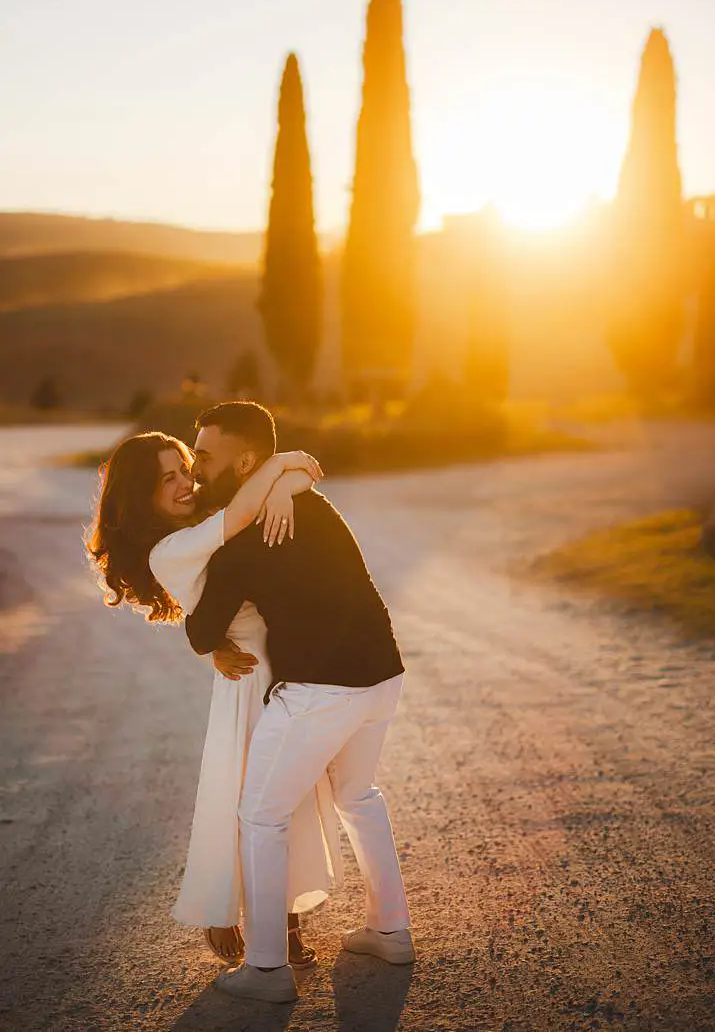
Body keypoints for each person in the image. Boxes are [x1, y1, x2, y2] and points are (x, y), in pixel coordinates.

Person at [180, 401, 414, 1003]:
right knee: (358, 796)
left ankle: (265, 969)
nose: (195, 465)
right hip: (382, 676)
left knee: (260, 816)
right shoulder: (312, 503)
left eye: (204, 454)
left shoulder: (244, 540)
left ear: (247, 461)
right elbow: (296, 473)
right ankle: (390, 931)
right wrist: (288, 476)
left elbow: (204, 631)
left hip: (319, 691)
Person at [85, 430, 337, 967]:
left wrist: (276, 485)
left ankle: (284, 916)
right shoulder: (169, 549)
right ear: (141, 497)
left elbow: (281, 493)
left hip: (285, 665)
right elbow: (252, 509)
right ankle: (224, 907)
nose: (184, 483)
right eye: (166, 479)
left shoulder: (211, 513)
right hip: (248, 679)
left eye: (183, 468)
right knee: (248, 800)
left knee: (286, 796)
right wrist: (285, 460)